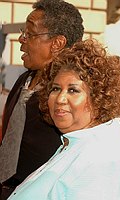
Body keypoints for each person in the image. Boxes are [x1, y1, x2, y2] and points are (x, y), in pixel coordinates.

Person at [8, 39, 120, 200]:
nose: (60, 99)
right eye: (55, 89)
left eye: (73, 90)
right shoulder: (78, 143)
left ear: (99, 97)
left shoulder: (104, 159)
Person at [0, 0, 84, 198]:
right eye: (23, 32)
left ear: (57, 43)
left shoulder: (72, 94)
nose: (21, 39)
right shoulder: (24, 79)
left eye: (30, 34)